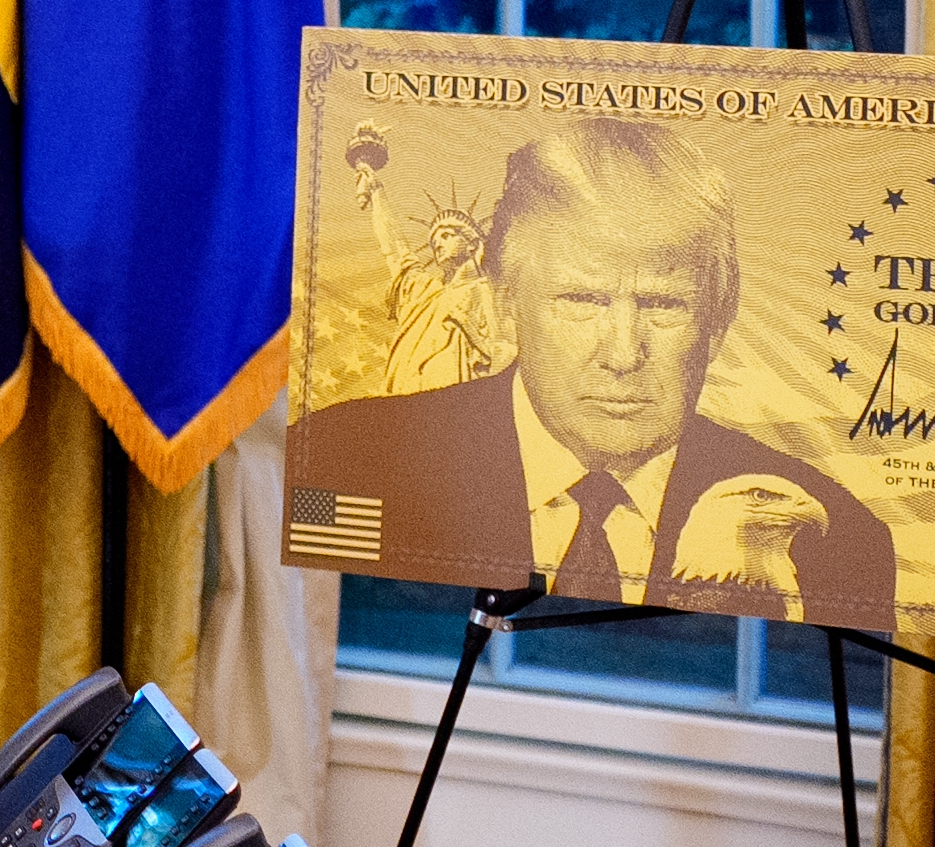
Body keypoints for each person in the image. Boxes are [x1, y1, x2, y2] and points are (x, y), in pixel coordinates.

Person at [299, 119, 896, 625]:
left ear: (718, 320)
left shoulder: (841, 538)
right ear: (506, 303)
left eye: (663, 304)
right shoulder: (345, 458)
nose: (621, 354)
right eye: (580, 301)